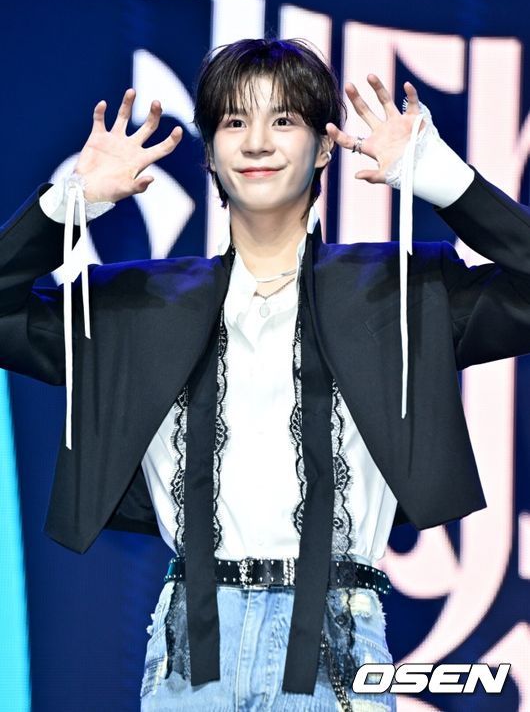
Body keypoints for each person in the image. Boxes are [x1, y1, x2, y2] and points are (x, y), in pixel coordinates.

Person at [1, 37, 530, 711]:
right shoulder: (135, 306)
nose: (256, 143)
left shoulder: (401, 292)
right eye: (233, 121)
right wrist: (67, 204)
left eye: (283, 120)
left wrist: (444, 179)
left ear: (326, 146)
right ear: (210, 153)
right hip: (190, 654)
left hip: (336, 641)